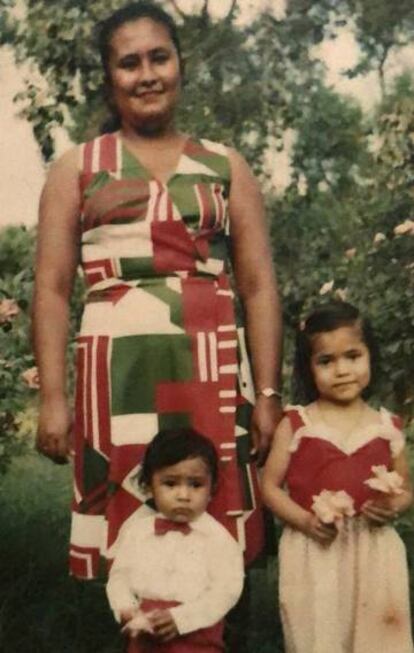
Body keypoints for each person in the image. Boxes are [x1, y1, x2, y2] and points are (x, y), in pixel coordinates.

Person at [32, 1, 282, 580]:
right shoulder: (78, 167)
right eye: (128, 63)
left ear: (180, 64)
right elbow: (50, 289)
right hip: (118, 376)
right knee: (130, 531)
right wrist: (52, 398)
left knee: (213, 518)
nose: (146, 74)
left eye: (159, 57)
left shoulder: (225, 165)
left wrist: (267, 394)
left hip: (211, 369)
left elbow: (259, 285)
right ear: (109, 76)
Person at [261, 301, 414, 653]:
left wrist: (393, 507)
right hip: (316, 547)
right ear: (308, 369)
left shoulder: (385, 426)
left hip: (373, 549)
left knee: (378, 635)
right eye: (326, 361)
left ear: (370, 357)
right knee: (319, 631)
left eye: (353, 356)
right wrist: (303, 520)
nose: (342, 370)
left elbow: (404, 486)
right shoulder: (298, 423)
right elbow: (269, 486)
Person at [106, 427, 244, 653]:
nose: (183, 495)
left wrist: (181, 619)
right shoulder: (137, 532)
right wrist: (126, 609)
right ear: (149, 486)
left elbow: (226, 591)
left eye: (195, 485)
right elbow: (119, 577)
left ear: (212, 489)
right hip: (145, 633)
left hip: (198, 633)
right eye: (170, 484)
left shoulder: (217, 538)